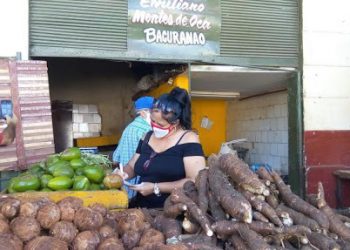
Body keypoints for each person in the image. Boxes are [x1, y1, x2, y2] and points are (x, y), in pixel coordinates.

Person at [117, 87, 206, 208]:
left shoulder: (189, 139)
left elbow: (194, 180)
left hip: (174, 211)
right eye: (153, 122)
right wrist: (123, 174)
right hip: (142, 209)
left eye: (160, 124)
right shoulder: (146, 137)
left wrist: (155, 188)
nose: (154, 127)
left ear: (176, 122)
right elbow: (132, 166)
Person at [112, 96, 154, 199]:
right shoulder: (149, 131)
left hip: (125, 182)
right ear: (144, 112)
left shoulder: (128, 128)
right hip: (143, 186)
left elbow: (115, 158)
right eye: (154, 111)